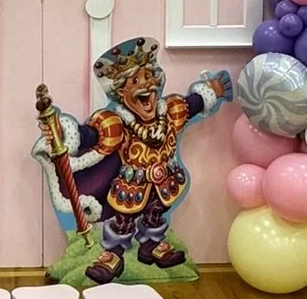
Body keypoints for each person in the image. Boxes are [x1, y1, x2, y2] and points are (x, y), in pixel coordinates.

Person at [34, 37, 231, 283]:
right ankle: (113, 256)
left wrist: (213, 91)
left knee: (156, 213)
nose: (145, 84)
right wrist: (61, 132)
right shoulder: (117, 122)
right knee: (124, 221)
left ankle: (152, 246)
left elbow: (193, 104)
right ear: (121, 93)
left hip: (165, 180)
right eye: (135, 81)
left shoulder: (169, 111)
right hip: (132, 184)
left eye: (148, 77)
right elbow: (89, 136)